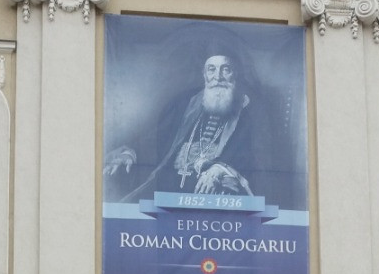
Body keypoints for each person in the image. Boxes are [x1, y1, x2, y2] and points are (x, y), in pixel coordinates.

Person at [104, 51, 263, 200]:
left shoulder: (248, 110)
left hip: (216, 197)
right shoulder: (185, 105)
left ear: (235, 74)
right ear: (204, 75)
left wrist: (221, 169)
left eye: (226, 69)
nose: (218, 77)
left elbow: (255, 157)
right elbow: (157, 140)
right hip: (170, 193)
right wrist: (130, 154)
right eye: (211, 70)